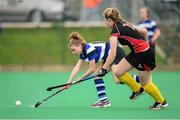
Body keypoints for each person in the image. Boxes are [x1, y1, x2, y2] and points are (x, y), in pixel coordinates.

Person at [97, 7, 168, 110]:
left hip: (143, 55)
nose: (106, 23)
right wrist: (145, 44)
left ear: (109, 20)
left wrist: (103, 69)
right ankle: (137, 89)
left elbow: (113, 54)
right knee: (118, 72)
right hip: (138, 52)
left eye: (106, 21)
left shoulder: (114, 32)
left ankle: (161, 102)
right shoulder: (124, 23)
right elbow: (143, 31)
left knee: (146, 84)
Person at [65, 32, 142, 108]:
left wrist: (80, 79)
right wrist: (69, 82)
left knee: (117, 80)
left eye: (73, 49)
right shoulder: (83, 52)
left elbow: (92, 69)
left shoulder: (88, 50)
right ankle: (104, 101)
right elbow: (77, 67)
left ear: (79, 45)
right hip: (107, 58)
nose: (73, 52)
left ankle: (142, 79)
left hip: (116, 53)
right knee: (97, 76)